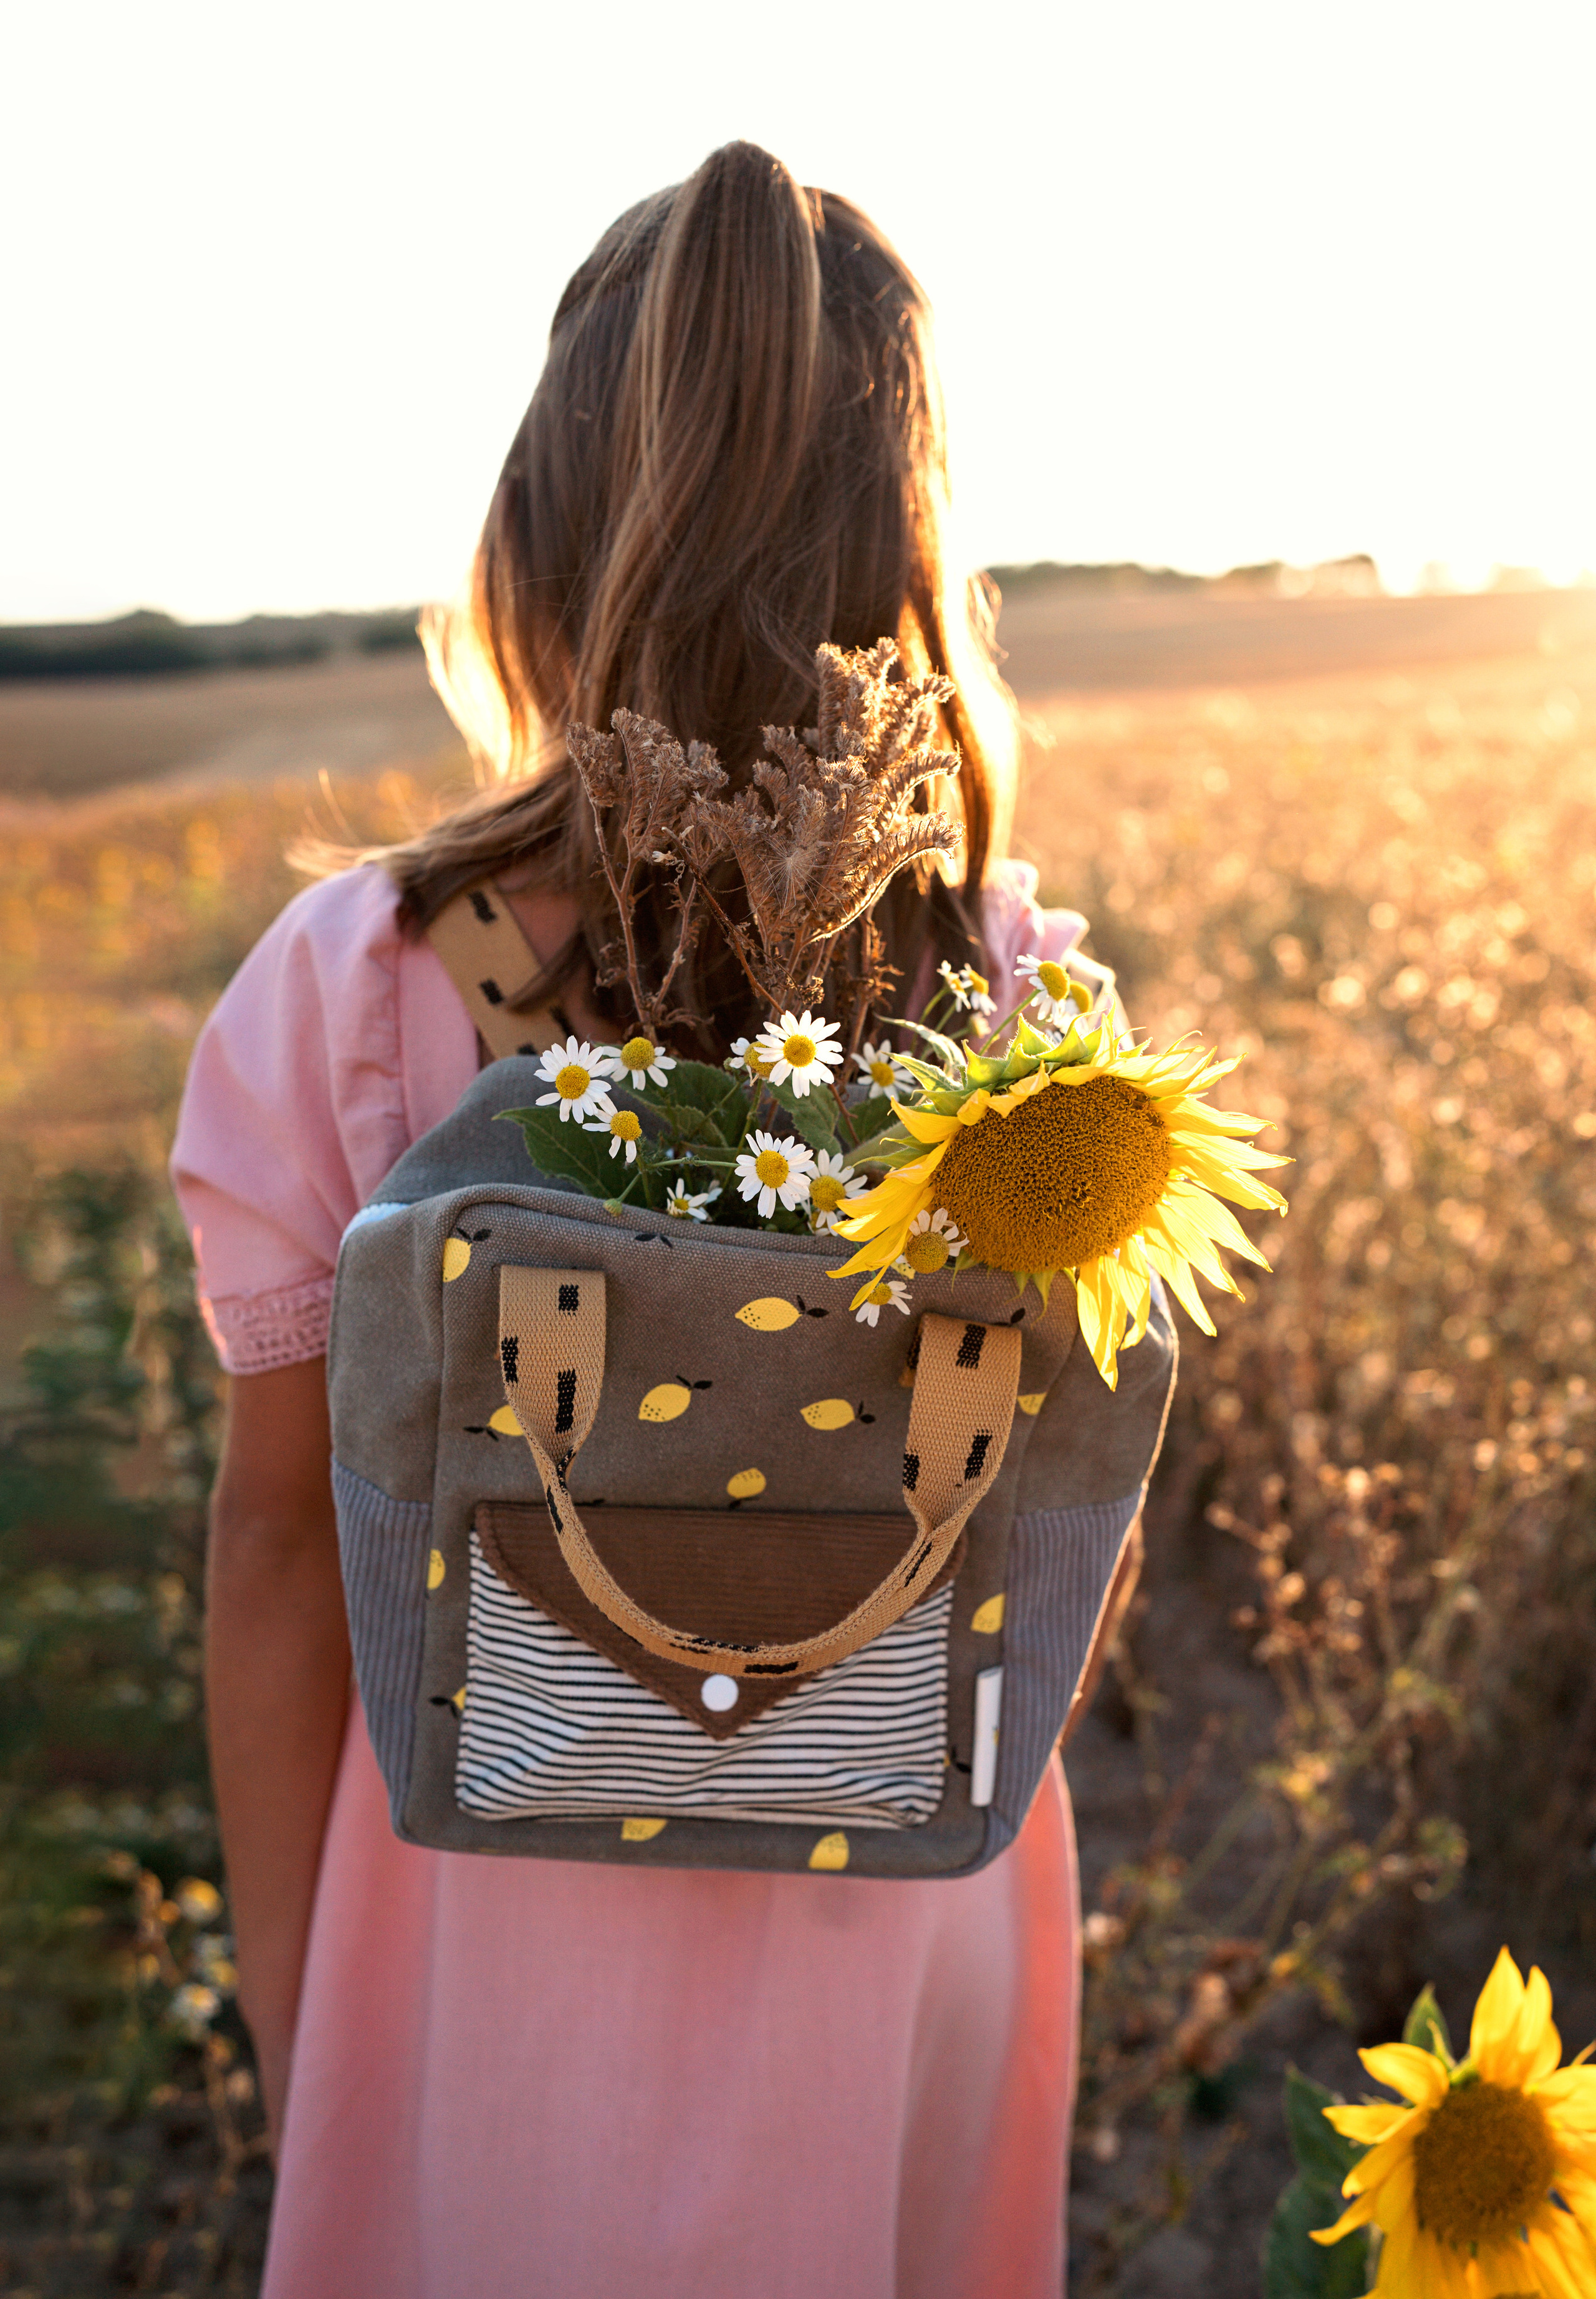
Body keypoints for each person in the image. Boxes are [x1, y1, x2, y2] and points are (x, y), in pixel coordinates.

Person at [173, 140, 1092, 2299]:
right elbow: (1066, 1545)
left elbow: (277, 1550)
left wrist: (312, 2033)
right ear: (914, 560)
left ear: (538, 535)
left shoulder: (355, 981)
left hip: (480, 1957)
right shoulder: (1025, 1012)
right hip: (897, 1916)